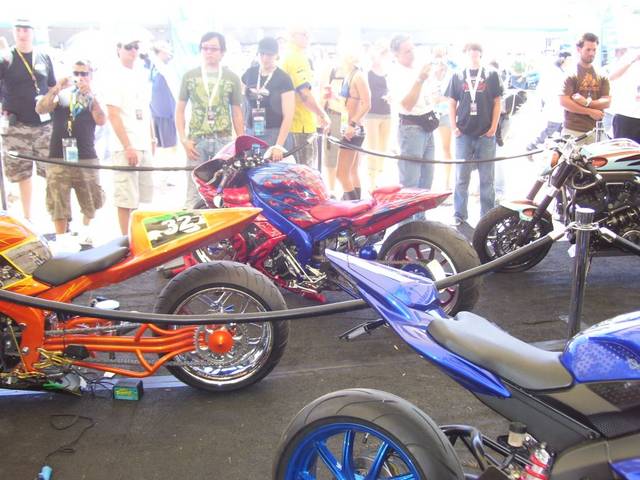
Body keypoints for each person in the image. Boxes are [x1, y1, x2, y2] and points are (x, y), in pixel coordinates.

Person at [35, 60, 106, 244]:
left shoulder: (94, 95)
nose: (80, 77)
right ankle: (62, 240)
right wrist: (56, 88)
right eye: (76, 73)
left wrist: (92, 96)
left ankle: (85, 233)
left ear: (90, 75)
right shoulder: (61, 95)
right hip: (59, 155)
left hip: (86, 155)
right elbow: (41, 109)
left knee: (91, 199)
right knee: (57, 201)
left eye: (84, 74)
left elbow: (101, 120)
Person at [176, 32, 244, 207]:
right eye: (205, 48)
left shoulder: (232, 78)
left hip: (223, 141)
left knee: (224, 190)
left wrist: (240, 143)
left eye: (213, 49)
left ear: (222, 52)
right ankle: (193, 220)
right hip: (196, 141)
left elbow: (237, 112)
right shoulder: (190, 76)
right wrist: (183, 139)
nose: (208, 52)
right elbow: (180, 110)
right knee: (193, 191)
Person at [0, 19, 56, 221]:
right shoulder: (6, 58)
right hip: (17, 125)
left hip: (44, 124)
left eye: (26, 30)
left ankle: (56, 216)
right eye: (18, 30)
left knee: (51, 172)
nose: (22, 34)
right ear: (13, 32)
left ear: (33, 32)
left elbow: (52, 86)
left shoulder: (44, 56)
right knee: (22, 174)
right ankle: (27, 217)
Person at [446, 42, 503, 227]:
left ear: (481, 53)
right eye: (470, 50)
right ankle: (459, 214)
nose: (473, 53)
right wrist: (454, 127)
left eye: (477, 50)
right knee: (461, 177)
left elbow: (497, 102)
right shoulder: (457, 75)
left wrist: (493, 127)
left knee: (487, 178)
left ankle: (487, 217)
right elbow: (451, 102)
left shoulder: (491, 74)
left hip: (486, 134)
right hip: (463, 134)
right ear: (465, 53)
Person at [104, 34, 155, 235]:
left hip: (143, 143)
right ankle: (125, 241)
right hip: (125, 146)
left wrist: (152, 138)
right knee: (126, 199)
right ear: (118, 49)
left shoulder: (140, 74)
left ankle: (137, 239)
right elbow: (113, 114)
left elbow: (146, 111)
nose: (133, 51)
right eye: (128, 46)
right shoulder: (113, 75)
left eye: (136, 47)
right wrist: (127, 146)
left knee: (141, 198)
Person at [389, 34, 438, 191]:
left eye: (412, 49)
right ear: (396, 54)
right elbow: (407, 104)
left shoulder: (417, 68)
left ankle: (423, 208)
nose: (412, 53)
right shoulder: (395, 73)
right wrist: (420, 80)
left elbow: (429, 97)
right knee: (410, 183)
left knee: (427, 179)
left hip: (427, 124)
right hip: (411, 128)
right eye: (407, 51)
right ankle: (411, 209)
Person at [281, 26, 330, 167]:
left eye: (309, 34)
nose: (307, 37)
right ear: (292, 36)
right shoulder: (296, 58)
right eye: (304, 34)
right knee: (304, 173)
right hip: (300, 125)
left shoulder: (287, 56)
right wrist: (322, 114)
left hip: (291, 125)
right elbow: (304, 93)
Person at [241, 37, 294, 161]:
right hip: (251, 133)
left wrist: (279, 145)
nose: (265, 58)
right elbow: (242, 103)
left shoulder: (283, 78)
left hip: (275, 134)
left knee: (272, 172)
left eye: (269, 55)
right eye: (262, 54)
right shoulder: (249, 73)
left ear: (276, 55)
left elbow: (288, 115)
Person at [559, 33, 611, 144]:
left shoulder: (601, 74)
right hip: (573, 130)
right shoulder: (571, 73)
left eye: (594, 50)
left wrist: (587, 103)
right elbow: (564, 102)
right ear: (579, 49)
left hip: (596, 130)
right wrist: (589, 111)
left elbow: (607, 101)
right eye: (588, 50)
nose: (591, 53)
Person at [336, 46, 371, 200]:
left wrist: (353, 124)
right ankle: (356, 204)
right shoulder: (351, 75)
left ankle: (352, 205)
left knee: (341, 173)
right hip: (351, 126)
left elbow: (367, 103)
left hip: (353, 128)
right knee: (352, 171)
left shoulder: (358, 76)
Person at [526, 52, 572, 150]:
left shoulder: (559, 71)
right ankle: (533, 144)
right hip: (555, 105)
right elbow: (549, 90)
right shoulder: (555, 72)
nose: (570, 62)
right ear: (563, 59)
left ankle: (559, 149)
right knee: (551, 128)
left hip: (557, 106)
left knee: (560, 130)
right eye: (569, 59)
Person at [364, 40, 392, 191]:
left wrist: (390, 96)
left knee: (383, 148)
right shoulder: (367, 72)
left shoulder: (388, 72)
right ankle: (371, 181)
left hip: (387, 112)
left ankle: (379, 179)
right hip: (372, 113)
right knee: (372, 148)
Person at [431, 47, 454, 190]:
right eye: (436, 55)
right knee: (429, 148)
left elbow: (454, 95)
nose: (439, 59)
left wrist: (442, 99)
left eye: (441, 55)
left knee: (446, 148)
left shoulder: (451, 74)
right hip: (429, 114)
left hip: (445, 113)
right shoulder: (429, 73)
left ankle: (447, 181)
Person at [608, 50, 640, 142]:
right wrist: (633, 60)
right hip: (625, 115)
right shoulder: (630, 56)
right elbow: (611, 77)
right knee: (621, 148)